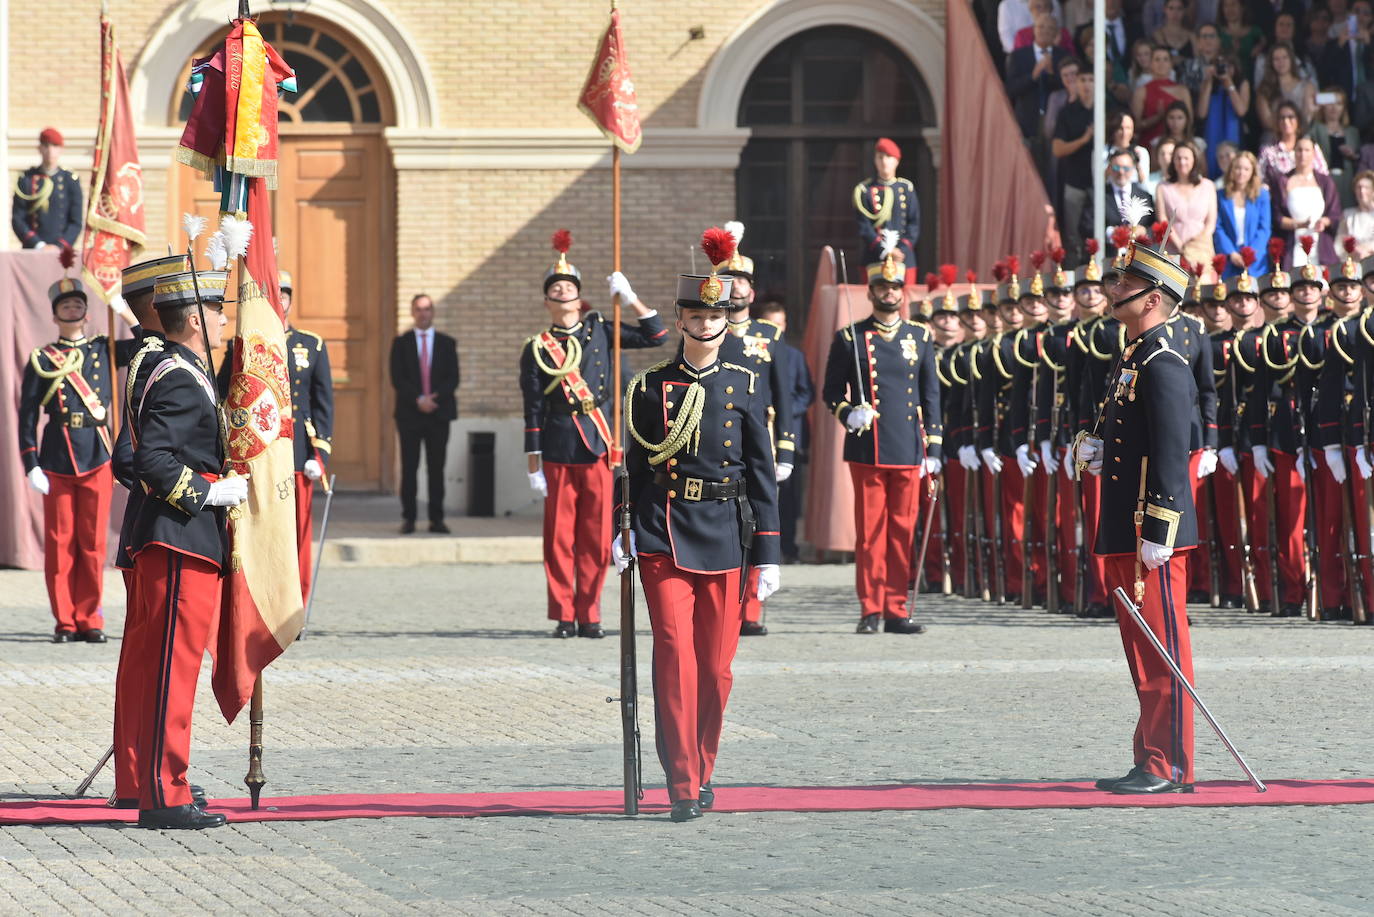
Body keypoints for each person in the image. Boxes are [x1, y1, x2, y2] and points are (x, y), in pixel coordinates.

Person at [615, 230, 780, 822]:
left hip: (727, 531)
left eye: (718, 312)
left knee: (716, 668)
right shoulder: (649, 386)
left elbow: (762, 476)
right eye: (696, 312)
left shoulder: (745, 385)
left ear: (728, 319)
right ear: (681, 319)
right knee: (672, 655)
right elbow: (633, 466)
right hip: (663, 530)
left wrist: (769, 554)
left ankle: (704, 767)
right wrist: (623, 527)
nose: (707, 322)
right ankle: (682, 782)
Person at [1072, 239, 1197, 795]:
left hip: (1152, 533)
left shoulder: (1163, 362)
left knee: (1162, 647)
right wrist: (1097, 447)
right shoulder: (1133, 356)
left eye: (1125, 284)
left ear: (1153, 299)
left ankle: (1170, 765)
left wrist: (1160, 529)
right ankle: (1150, 755)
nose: (1113, 288)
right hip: (1129, 525)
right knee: (1141, 648)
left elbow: (1174, 450)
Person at [126, 269, 244, 829]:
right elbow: (150, 458)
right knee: (173, 672)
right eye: (217, 310)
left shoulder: (187, 369)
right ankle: (163, 795)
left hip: (178, 540)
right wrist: (208, 491)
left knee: (165, 670)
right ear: (195, 318)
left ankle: (156, 782)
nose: (224, 319)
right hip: (179, 540)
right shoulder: (177, 375)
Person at [520, 231, 666, 638]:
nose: (563, 291)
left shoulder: (602, 326)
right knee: (559, 539)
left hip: (601, 444)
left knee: (596, 537)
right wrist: (533, 460)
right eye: (555, 288)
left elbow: (657, 336)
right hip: (558, 445)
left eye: (569, 287)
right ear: (548, 301)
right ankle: (564, 614)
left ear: (579, 297)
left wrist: (631, 296)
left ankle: (591, 613)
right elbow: (531, 407)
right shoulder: (536, 348)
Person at [108, 253, 198, 813]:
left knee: (146, 662)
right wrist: (196, 492)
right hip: (166, 533)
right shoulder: (157, 360)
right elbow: (133, 458)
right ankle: (153, 783)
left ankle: (139, 777)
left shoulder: (150, 357)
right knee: (159, 661)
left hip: (151, 529)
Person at [823, 241, 943, 633]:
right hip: (868, 445)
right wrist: (848, 413)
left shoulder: (920, 337)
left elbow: (930, 396)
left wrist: (935, 448)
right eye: (882, 287)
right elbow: (829, 393)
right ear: (871, 291)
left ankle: (896, 607)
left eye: (895, 287)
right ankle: (870, 608)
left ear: (901, 292)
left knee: (902, 532)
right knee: (871, 533)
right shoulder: (849, 337)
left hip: (908, 446)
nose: (889, 292)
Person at [19, 276, 139, 642]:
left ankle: (90, 618)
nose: (73, 309)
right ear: (55, 314)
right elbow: (27, 414)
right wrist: (30, 463)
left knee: (92, 543)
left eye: (78, 304)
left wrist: (124, 311)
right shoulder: (42, 359)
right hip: (57, 456)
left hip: (97, 454)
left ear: (87, 312)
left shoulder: (105, 349)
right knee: (59, 543)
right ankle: (65, 621)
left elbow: (149, 345)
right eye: (65, 305)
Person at [218, 271, 332, 607]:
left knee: (297, 535)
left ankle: (295, 605)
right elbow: (224, 391)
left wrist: (320, 454)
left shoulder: (311, 344)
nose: (278, 302)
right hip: (259, 454)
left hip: (297, 453)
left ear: (291, 301)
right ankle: (264, 601)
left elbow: (323, 402)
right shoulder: (243, 344)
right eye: (272, 296)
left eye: (284, 296)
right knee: (264, 530)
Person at [390, 294, 459, 534]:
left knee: (436, 469)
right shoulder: (401, 343)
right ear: (412, 312)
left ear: (433, 312)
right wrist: (418, 399)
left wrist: (433, 399)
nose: (423, 313)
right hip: (410, 415)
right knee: (409, 468)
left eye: (427, 309)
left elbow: (453, 378)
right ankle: (408, 518)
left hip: (439, 415)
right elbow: (397, 378)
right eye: (418, 309)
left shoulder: (447, 343)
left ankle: (436, 519)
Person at [754, 299, 813, 566]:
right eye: (770, 324)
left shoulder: (794, 356)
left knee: (788, 497)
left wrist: (787, 412)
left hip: (789, 434)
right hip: (759, 428)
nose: (775, 329)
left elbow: (806, 392)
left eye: (780, 324)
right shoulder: (755, 351)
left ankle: (788, 547)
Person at [853, 138, 921, 283]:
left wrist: (900, 250)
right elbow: (864, 227)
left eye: (889, 157)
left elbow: (913, 224)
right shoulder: (865, 191)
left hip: (903, 258)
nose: (884, 162)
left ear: (897, 161)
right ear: (875, 160)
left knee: (904, 300)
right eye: (880, 157)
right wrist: (884, 250)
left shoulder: (906, 189)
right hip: (875, 256)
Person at [1273, 135, 1343, 269]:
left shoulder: (1325, 181)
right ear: (1294, 152)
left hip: (1320, 242)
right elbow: (1278, 217)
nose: (1303, 154)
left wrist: (1324, 222)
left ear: (1313, 153)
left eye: (1307, 150)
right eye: (1299, 150)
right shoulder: (1283, 181)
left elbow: (1335, 213)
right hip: (1292, 244)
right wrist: (1299, 224)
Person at [1006, 15, 1071, 155]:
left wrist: (1052, 74)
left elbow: (1069, 88)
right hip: (1026, 121)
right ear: (1033, 30)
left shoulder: (1064, 57)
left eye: (1050, 28)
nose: (1045, 30)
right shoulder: (1018, 56)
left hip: (1055, 120)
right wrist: (1032, 76)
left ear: (1056, 33)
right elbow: (1010, 90)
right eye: (1041, 26)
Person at [10, 128, 82, 250]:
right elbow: (18, 219)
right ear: (39, 149)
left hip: (61, 252)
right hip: (33, 249)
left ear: (61, 150)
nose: (50, 151)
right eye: (46, 146)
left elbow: (76, 222)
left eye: (55, 146)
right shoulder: (26, 179)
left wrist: (60, 246)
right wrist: (39, 245)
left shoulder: (70, 180)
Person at [1052, 63, 1095, 263]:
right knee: (1073, 235)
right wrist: (1083, 140)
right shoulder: (1067, 113)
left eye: (1091, 80)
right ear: (1076, 84)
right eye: (1082, 80)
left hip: (1101, 185)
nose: (1087, 85)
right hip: (1075, 181)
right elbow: (1057, 149)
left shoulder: (1106, 110)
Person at [1192, 37, 1249, 177]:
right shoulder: (1209, 85)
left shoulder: (1242, 83)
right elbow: (1201, 113)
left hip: (1233, 133)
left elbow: (1241, 110)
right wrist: (1209, 81)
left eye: (1229, 66)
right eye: (1220, 65)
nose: (1224, 69)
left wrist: (1228, 83)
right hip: (1212, 134)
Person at [1155, 140, 1217, 269]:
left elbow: (1211, 222)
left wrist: (1194, 248)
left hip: (1201, 249)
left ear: (1194, 160)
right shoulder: (1163, 187)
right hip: (1173, 250)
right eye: (1178, 158)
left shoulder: (1208, 186)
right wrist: (1181, 247)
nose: (1182, 162)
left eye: (1186, 158)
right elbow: (1163, 220)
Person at [1214, 151, 1272, 280]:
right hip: (1230, 259)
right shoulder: (1220, 196)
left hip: (1255, 261)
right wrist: (1231, 253)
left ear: (1253, 172)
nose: (1241, 172)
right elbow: (1218, 228)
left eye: (1246, 169)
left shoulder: (1262, 195)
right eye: (1237, 168)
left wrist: (1250, 254)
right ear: (1231, 170)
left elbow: (1264, 228)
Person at [1309, 87, 1362, 206]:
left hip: (1348, 181)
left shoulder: (1353, 132)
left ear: (1344, 107)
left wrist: (1353, 155)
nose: (1334, 108)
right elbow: (1305, 141)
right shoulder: (1316, 128)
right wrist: (1311, 113)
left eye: (1339, 104)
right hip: (1325, 181)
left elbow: (1361, 159)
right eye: (1330, 103)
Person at [1133, 45, 1192, 148]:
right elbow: (1135, 125)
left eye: (1165, 59)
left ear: (1171, 64)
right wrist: (1157, 117)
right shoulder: (1141, 91)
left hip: (1178, 145)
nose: (1161, 63)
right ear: (1150, 63)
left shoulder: (1183, 90)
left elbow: (1190, 121)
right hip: (1150, 145)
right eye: (1157, 59)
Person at [1255, 44, 1317, 138]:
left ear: (1291, 60)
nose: (1281, 62)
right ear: (1271, 63)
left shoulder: (1307, 86)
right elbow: (1266, 122)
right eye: (1276, 59)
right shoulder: (1264, 89)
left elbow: (1307, 117)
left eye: (1285, 57)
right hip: (1273, 139)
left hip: (1301, 138)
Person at [1215, 0, 1265, 79]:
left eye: (1233, 4)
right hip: (1224, 80)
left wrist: (1260, 47)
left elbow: (1264, 45)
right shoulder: (1217, 32)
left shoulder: (1255, 31)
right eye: (1225, 5)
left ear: (1242, 7)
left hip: (1250, 79)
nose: (1229, 9)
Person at [1105, 113, 1151, 183]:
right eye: (1120, 128)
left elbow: (1144, 184)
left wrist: (1137, 164)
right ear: (1113, 129)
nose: (1124, 133)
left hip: (1133, 192)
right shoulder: (1102, 151)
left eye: (1128, 128)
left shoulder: (1141, 152)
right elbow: (1099, 182)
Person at [1339, 169, 1374, 257]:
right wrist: (1354, 251)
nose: (1362, 191)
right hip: (1354, 264)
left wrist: (1367, 250)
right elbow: (1339, 243)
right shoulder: (1348, 215)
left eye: (1366, 188)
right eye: (1359, 187)